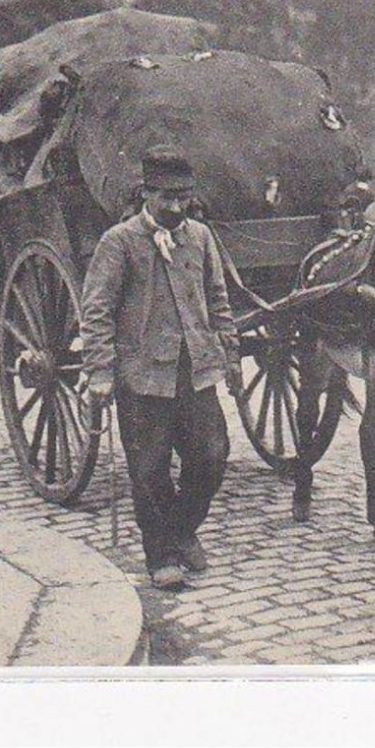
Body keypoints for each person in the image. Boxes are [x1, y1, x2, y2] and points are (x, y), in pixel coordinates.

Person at [79, 145, 242, 591]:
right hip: (142, 374)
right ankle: (161, 556)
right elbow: (96, 311)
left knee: (212, 457)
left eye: (183, 197)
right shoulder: (120, 242)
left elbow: (218, 298)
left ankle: (182, 528)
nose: (175, 207)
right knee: (149, 471)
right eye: (166, 197)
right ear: (145, 194)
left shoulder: (202, 238)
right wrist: (99, 370)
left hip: (197, 370)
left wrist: (227, 350)